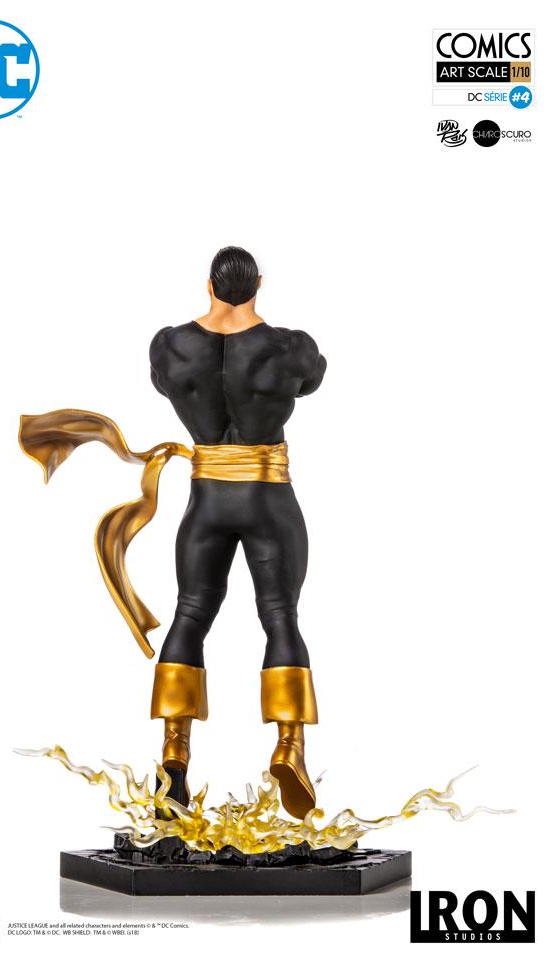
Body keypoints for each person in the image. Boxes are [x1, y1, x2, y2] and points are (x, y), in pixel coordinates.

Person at [148, 246, 327, 819]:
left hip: (206, 502)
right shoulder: (289, 347)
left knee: (189, 614)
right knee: (280, 616)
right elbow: (312, 380)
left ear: (208, 284)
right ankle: (289, 746)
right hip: (268, 497)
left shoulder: (171, 346)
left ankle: (173, 756)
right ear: (260, 284)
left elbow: (163, 384)